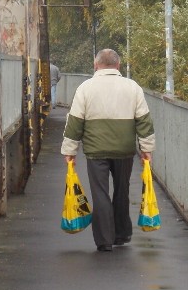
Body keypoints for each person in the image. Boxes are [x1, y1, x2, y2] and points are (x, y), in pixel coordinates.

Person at [61, 49, 155, 252]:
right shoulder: (132, 87)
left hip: (96, 151)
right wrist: (146, 148)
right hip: (124, 150)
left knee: (100, 194)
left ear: (96, 65)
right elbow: (144, 121)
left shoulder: (85, 88)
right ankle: (122, 234)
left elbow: (75, 122)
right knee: (122, 191)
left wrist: (70, 150)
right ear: (118, 65)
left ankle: (104, 240)